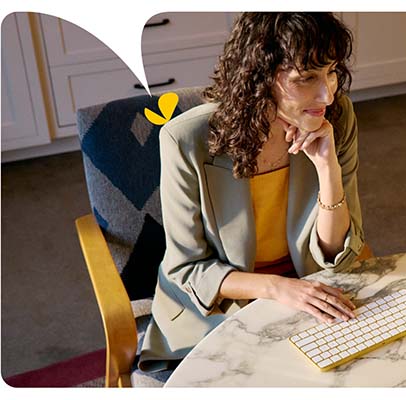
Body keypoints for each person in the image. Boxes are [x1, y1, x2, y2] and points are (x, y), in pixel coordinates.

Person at [138, 12, 365, 372]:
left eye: (332, 71)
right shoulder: (187, 141)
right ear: (260, 76)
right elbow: (188, 268)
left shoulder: (337, 118)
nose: (327, 93)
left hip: (310, 291)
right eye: (306, 78)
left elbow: (338, 254)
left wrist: (327, 168)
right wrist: (277, 288)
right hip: (218, 310)